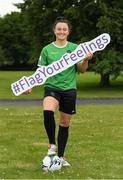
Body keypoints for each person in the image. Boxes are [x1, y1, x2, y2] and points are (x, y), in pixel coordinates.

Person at [25, 17, 93, 168]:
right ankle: (51, 145)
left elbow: (81, 70)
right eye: (59, 29)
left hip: (69, 90)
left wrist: (86, 60)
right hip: (52, 87)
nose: (61, 31)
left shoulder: (76, 48)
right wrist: (30, 84)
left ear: (68, 32)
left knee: (64, 123)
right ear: (54, 31)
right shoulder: (47, 49)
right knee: (48, 111)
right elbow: (40, 71)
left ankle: (61, 157)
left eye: (64, 29)